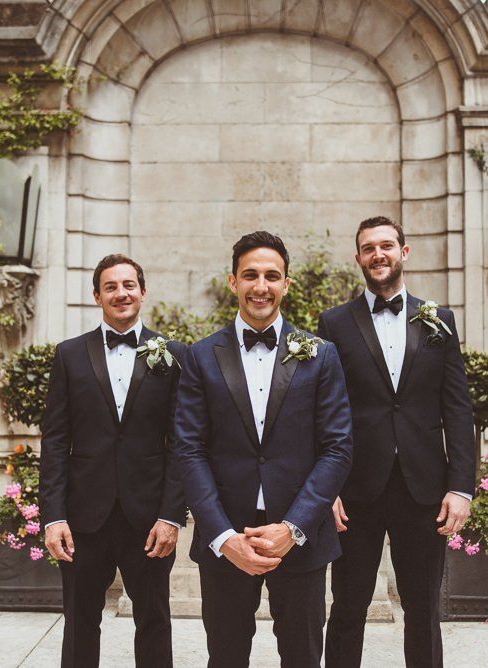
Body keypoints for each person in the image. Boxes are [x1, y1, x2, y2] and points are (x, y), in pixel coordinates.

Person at [173, 231, 353, 667]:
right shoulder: (200, 357)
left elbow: (337, 447)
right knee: (227, 656)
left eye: (272, 276)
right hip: (227, 538)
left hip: (300, 536)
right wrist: (222, 536)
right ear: (232, 281)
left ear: (286, 284)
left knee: (303, 656)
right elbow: (189, 448)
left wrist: (292, 528)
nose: (261, 285)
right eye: (250, 275)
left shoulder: (321, 355)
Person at [319, 216, 475, 668]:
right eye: (368, 248)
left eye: (386, 245)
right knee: (347, 608)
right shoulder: (333, 324)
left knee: (424, 610)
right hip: (354, 494)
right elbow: (322, 412)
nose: (378, 255)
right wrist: (326, 490)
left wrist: (461, 487)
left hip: (424, 489)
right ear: (358, 259)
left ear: (403, 252)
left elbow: (458, 408)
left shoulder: (438, 320)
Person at [39, 253, 186, 668]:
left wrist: (172, 515)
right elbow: (55, 440)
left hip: (149, 519)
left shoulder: (173, 354)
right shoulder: (69, 355)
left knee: (155, 619)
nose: (120, 293)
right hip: (83, 517)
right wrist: (53, 517)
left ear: (142, 291)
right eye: (110, 287)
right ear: (96, 297)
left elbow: (182, 443)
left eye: (128, 285)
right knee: (80, 620)